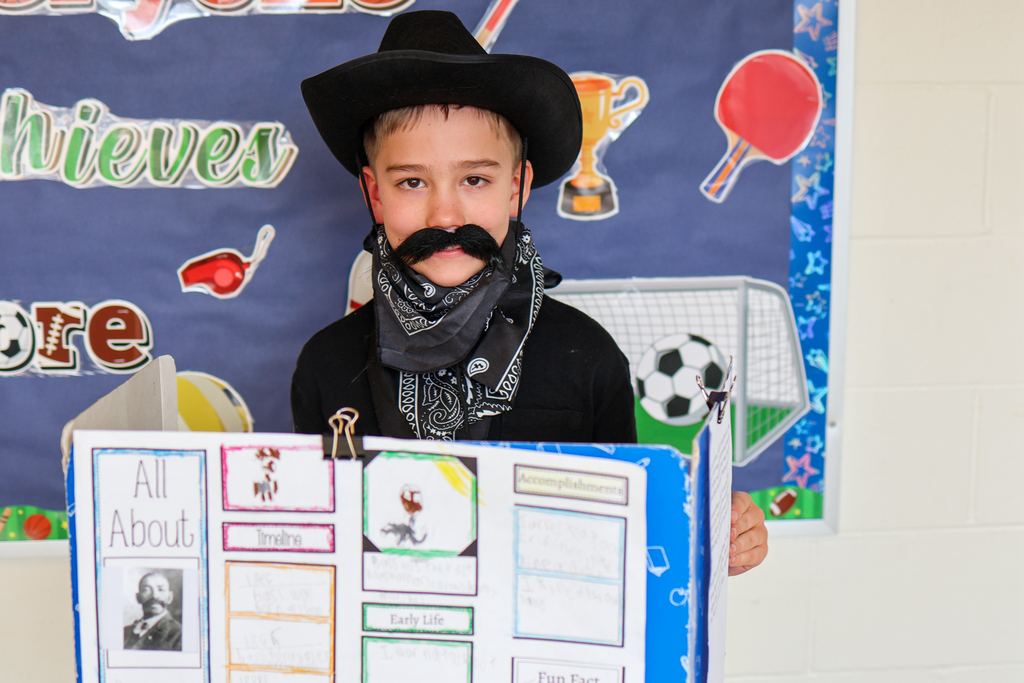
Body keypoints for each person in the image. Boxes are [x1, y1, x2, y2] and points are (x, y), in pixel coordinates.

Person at [292, 10, 766, 574]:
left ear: (516, 187)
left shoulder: (586, 358)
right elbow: (314, 550)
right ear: (374, 193)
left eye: (475, 180)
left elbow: (635, 543)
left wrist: (719, 535)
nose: (445, 214)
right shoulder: (326, 364)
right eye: (412, 181)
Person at [123, 571, 182, 651]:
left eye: (161, 590)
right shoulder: (125, 632)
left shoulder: (179, 634)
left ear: (169, 597)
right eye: (146, 590)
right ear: (138, 597)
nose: (154, 596)